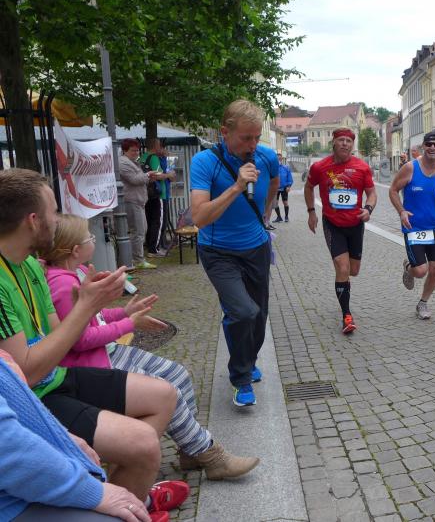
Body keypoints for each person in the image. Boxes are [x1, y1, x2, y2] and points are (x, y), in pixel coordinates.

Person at [0, 168, 186, 507]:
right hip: (30, 399)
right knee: (145, 444)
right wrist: (87, 308)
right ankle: (123, 499)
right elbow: (27, 374)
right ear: (33, 221)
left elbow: (57, 336)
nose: (57, 220)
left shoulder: (29, 265)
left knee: (164, 394)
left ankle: (126, 494)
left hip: (55, 377)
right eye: (53, 211)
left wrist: (96, 307)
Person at [43, 214, 260, 480]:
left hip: (105, 352)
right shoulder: (62, 284)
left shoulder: (74, 274)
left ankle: (188, 451)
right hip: (94, 364)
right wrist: (128, 324)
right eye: (89, 237)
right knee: (166, 389)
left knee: (178, 373)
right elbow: (79, 339)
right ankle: (211, 456)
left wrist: (123, 312)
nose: (94, 240)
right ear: (76, 250)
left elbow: (93, 317)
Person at [0, 348, 172, 522]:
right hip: (47, 391)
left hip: (57, 380)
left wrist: (61, 435)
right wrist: (93, 493)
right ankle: (137, 506)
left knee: (164, 393)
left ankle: (137, 502)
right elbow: (10, 450)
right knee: (141, 442)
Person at [190, 99, 280, 407]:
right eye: (246, 138)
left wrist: (266, 213)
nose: (252, 145)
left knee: (259, 315)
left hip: (256, 247)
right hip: (218, 251)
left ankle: (248, 361)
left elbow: (274, 183)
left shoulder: (266, 157)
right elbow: (200, 217)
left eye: (257, 137)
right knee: (242, 311)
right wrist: (237, 186)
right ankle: (241, 379)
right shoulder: (205, 162)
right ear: (224, 132)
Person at [305, 128, 377, 334]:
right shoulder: (320, 167)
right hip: (333, 224)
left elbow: (372, 193)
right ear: (334, 143)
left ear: (352, 145)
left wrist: (368, 209)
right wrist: (311, 212)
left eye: (348, 141)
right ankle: (347, 315)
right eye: (341, 140)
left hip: (355, 225)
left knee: (353, 271)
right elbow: (308, 187)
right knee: (342, 267)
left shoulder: (362, 167)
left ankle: (343, 284)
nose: (345, 143)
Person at [389, 131, 435, 320]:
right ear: (423, 146)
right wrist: (401, 211)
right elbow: (393, 190)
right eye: (429, 144)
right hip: (413, 227)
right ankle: (408, 268)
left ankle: (422, 303)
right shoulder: (410, 168)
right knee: (421, 271)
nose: (432, 147)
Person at [119, 138, 157, 270]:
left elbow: (139, 179)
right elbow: (134, 180)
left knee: (141, 230)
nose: (136, 153)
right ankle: (137, 260)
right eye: (133, 150)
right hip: (131, 200)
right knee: (138, 231)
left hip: (138, 200)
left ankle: (135, 258)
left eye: (137, 150)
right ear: (125, 150)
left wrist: (148, 178)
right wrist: (148, 175)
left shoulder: (132, 162)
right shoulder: (123, 163)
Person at [141, 139, 171, 257]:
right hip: (158, 193)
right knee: (158, 222)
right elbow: (158, 175)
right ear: (155, 146)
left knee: (150, 220)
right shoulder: (153, 158)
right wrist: (169, 175)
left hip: (147, 193)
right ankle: (154, 249)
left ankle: (150, 246)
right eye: (160, 145)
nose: (161, 148)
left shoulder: (142, 157)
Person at [273, 153, 293, 223]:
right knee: (275, 203)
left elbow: (289, 178)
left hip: (284, 188)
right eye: (277, 158)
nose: (279, 159)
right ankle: (279, 217)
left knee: (285, 202)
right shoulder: (273, 168)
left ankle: (286, 217)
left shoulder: (286, 168)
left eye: (280, 158)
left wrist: (289, 186)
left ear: (281, 159)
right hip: (275, 188)